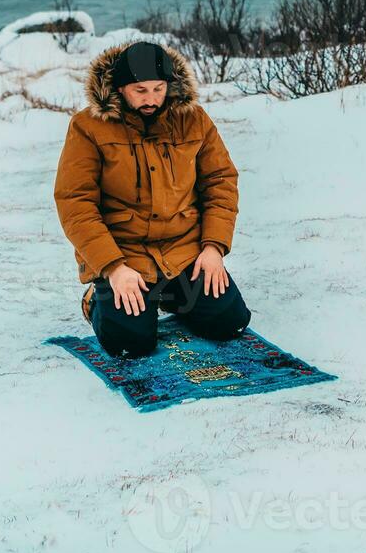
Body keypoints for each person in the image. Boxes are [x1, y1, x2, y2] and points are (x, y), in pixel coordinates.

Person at [53, 41, 250, 357]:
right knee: (130, 344)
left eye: (159, 89)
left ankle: (171, 295)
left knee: (230, 323)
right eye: (140, 90)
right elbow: (75, 202)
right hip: (124, 254)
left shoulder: (194, 119)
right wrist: (112, 267)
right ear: (120, 87)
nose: (151, 99)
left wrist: (213, 247)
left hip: (184, 249)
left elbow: (220, 182)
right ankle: (96, 299)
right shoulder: (88, 126)